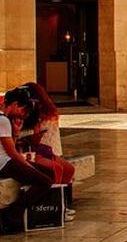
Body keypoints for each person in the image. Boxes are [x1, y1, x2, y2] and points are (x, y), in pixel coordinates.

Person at [17, 83, 76, 219]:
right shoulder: (20, 113)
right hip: (27, 151)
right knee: (56, 168)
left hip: (42, 150)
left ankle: (60, 203)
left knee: (68, 169)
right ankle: (52, 206)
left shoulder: (40, 114)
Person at [0, 87, 53, 233]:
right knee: (45, 181)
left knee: (48, 172)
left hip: (6, 160)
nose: (25, 114)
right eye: (24, 109)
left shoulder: (4, 120)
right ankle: (13, 212)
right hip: (3, 163)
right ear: (15, 105)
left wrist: (16, 132)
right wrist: (30, 168)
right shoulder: (3, 120)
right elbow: (12, 153)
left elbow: (9, 146)